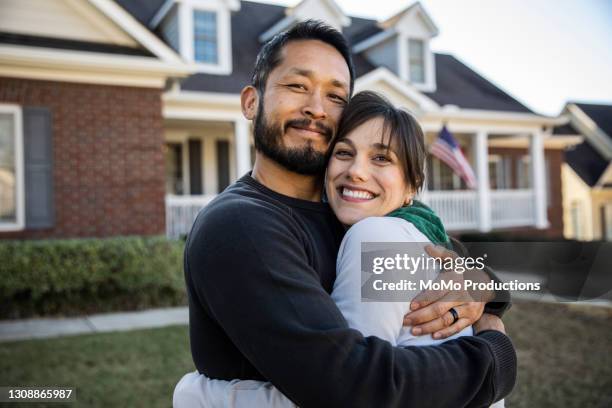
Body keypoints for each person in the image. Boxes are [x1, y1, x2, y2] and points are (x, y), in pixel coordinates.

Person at [177, 20, 515, 408]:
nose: (316, 108)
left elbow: (461, 261)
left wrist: (487, 293)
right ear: (251, 101)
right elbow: (355, 388)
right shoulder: (240, 226)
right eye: (297, 85)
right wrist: (495, 355)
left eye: (336, 96)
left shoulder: (355, 210)